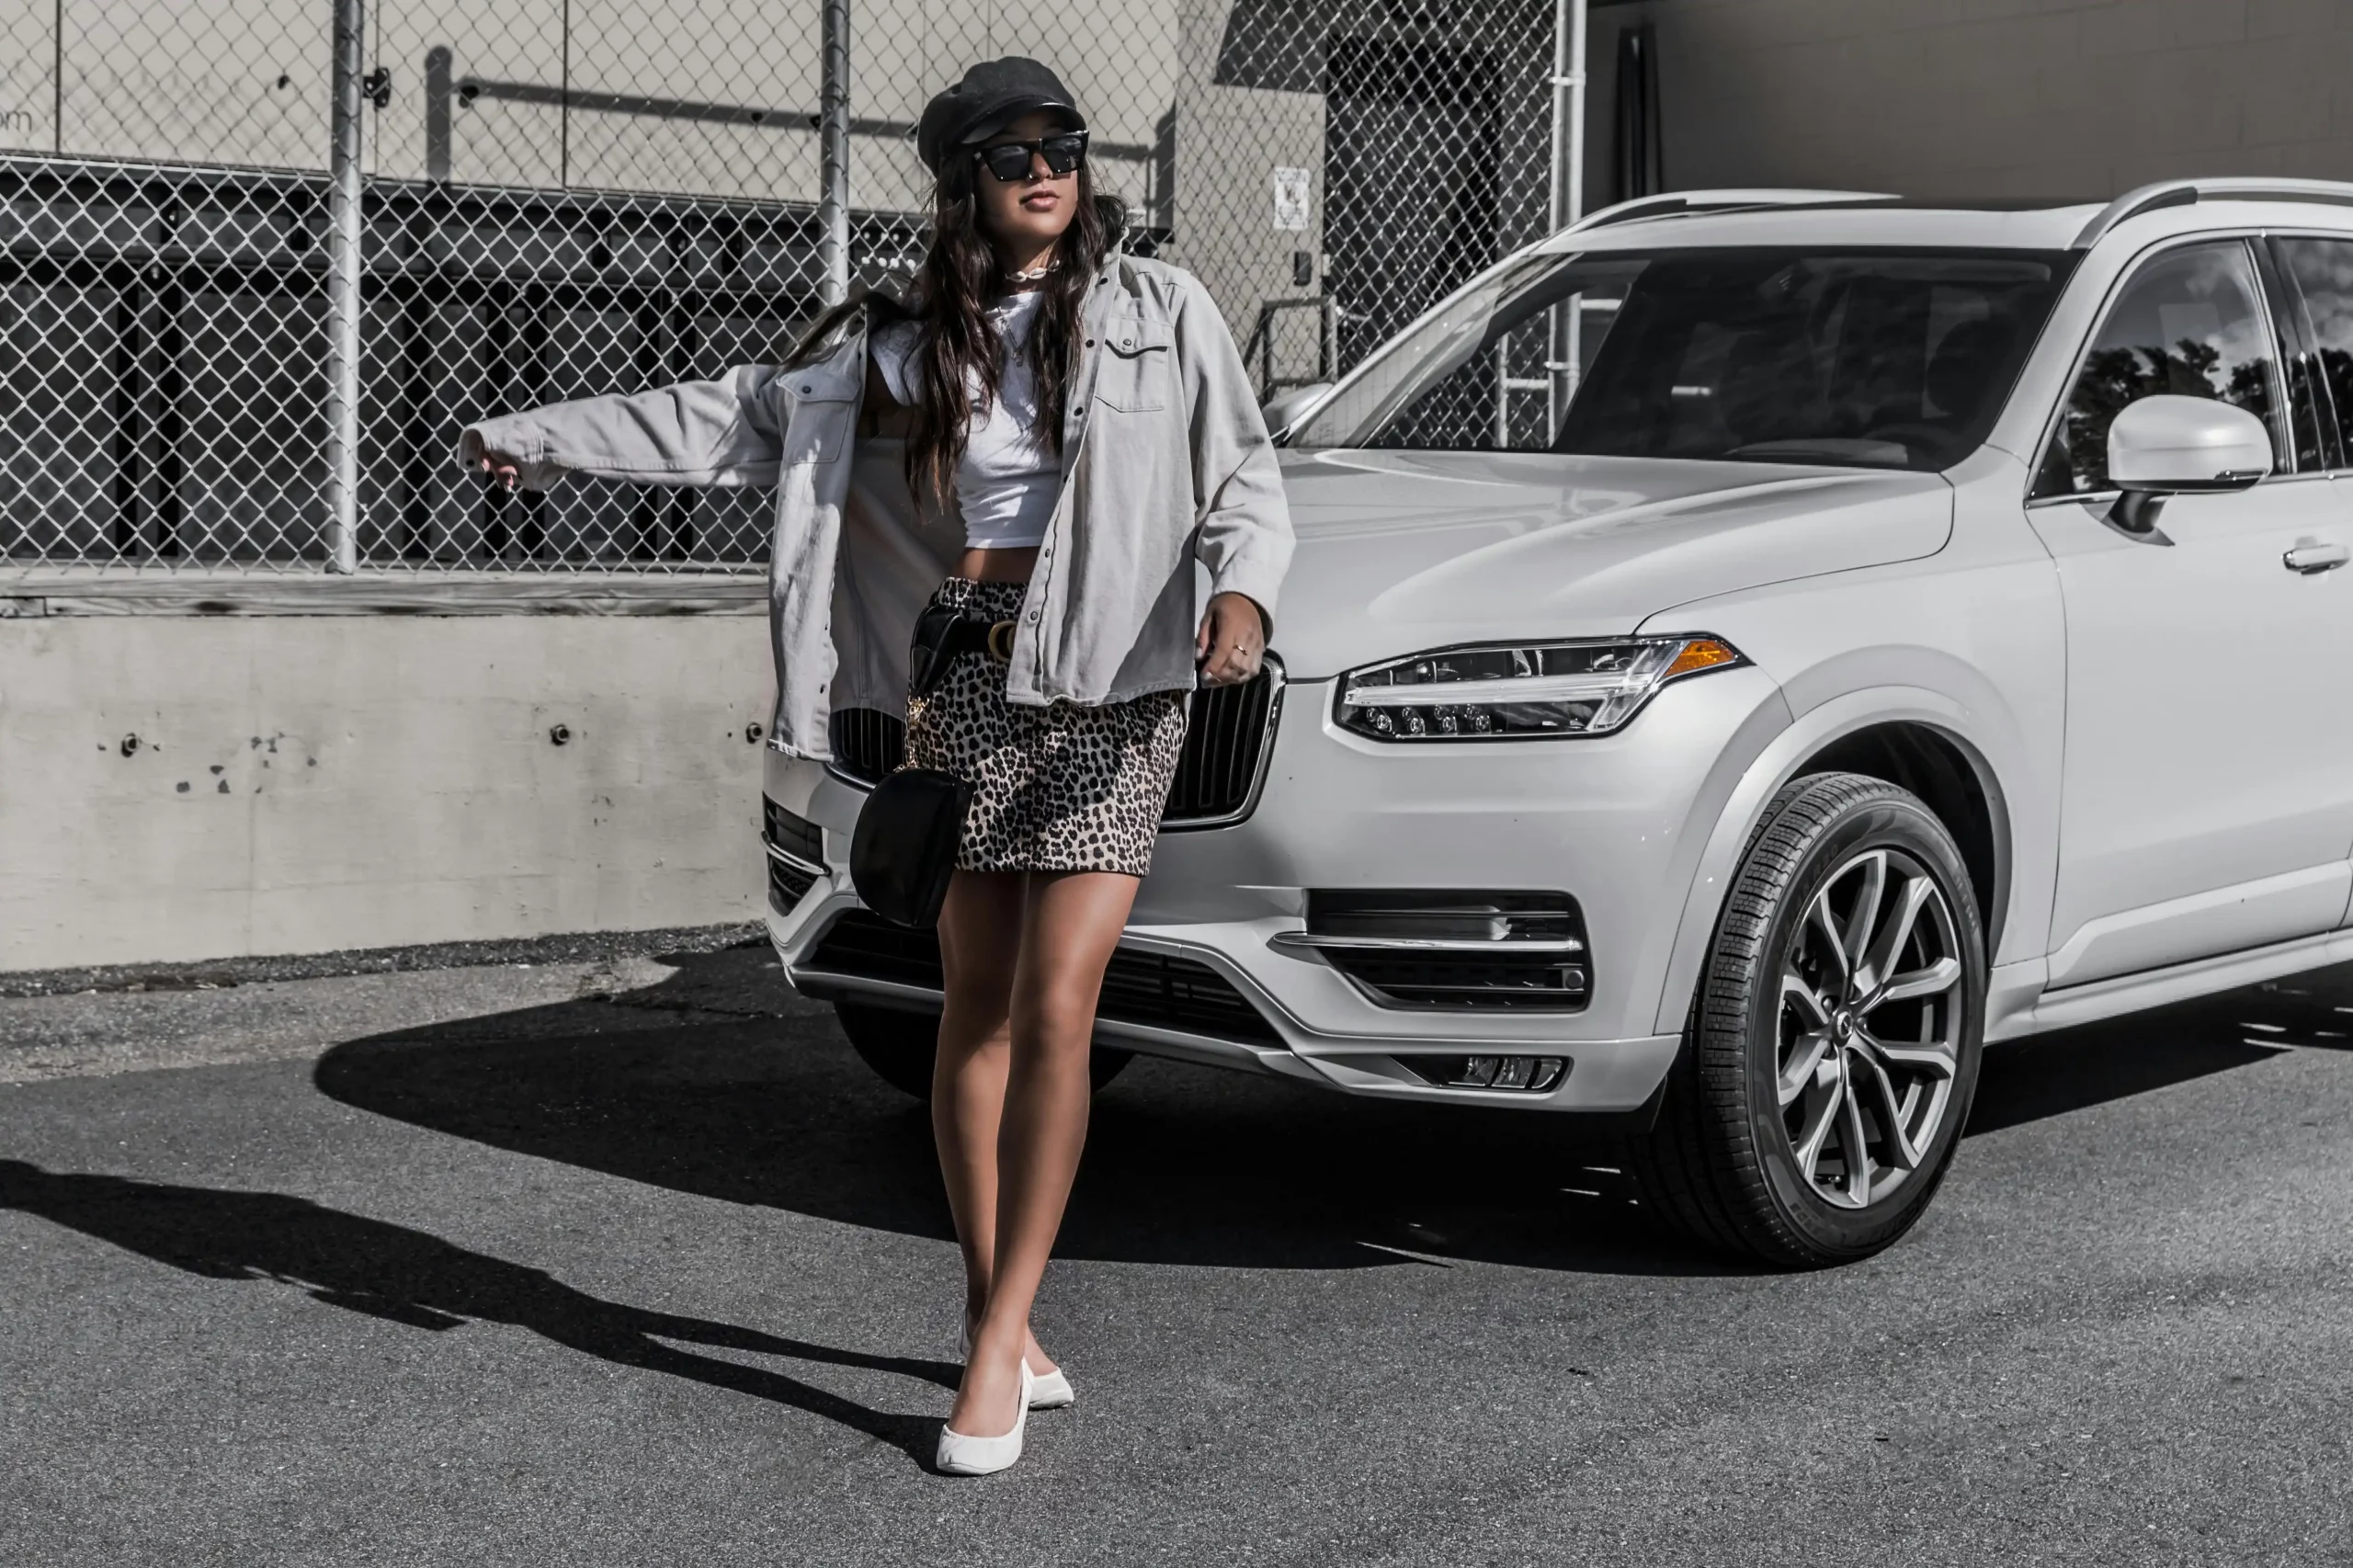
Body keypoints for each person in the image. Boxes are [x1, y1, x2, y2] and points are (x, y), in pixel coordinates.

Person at [459, 56, 1293, 1475]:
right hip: (964, 676)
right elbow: (721, 417)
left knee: (1061, 1001)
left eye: (1064, 143)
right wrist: (533, 441)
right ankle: (1000, 1308)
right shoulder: (899, 343)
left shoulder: (1166, 310)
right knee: (972, 1007)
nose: (1045, 167)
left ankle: (994, 1341)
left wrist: (1245, 594)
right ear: (962, 176)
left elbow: (1245, 480)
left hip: (1115, 689)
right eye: (1012, 149)